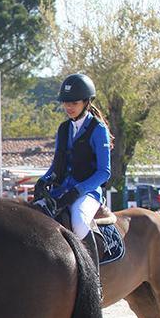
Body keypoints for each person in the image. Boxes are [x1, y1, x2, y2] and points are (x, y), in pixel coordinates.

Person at [33, 73, 112, 254]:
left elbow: (104, 172)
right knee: (35, 215)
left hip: (88, 192)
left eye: (74, 103)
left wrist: (78, 191)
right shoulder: (64, 128)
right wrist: (43, 180)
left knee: (79, 222)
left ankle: (93, 277)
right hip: (62, 189)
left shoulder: (98, 130)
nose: (68, 107)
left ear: (86, 102)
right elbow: (56, 165)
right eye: (66, 103)